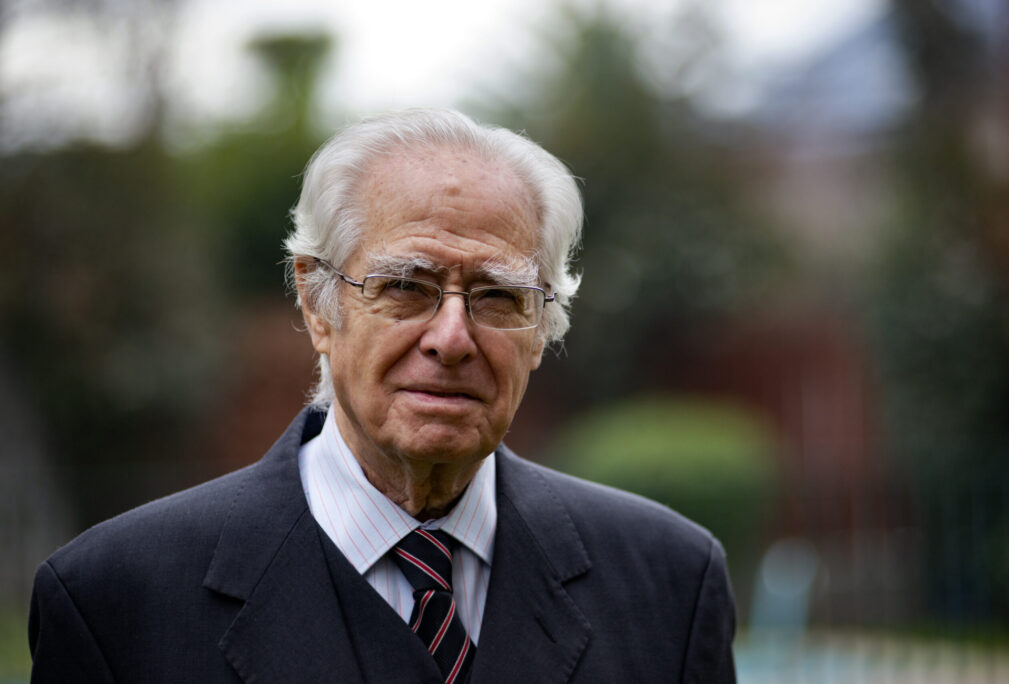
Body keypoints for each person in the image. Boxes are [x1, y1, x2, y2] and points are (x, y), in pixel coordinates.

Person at [28, 108, 736, 683]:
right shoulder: (116, 601)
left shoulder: (670, 584)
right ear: (316, 301)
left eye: (498, 295)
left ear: (542, 328)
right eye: (405, 286)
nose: (452, 338)